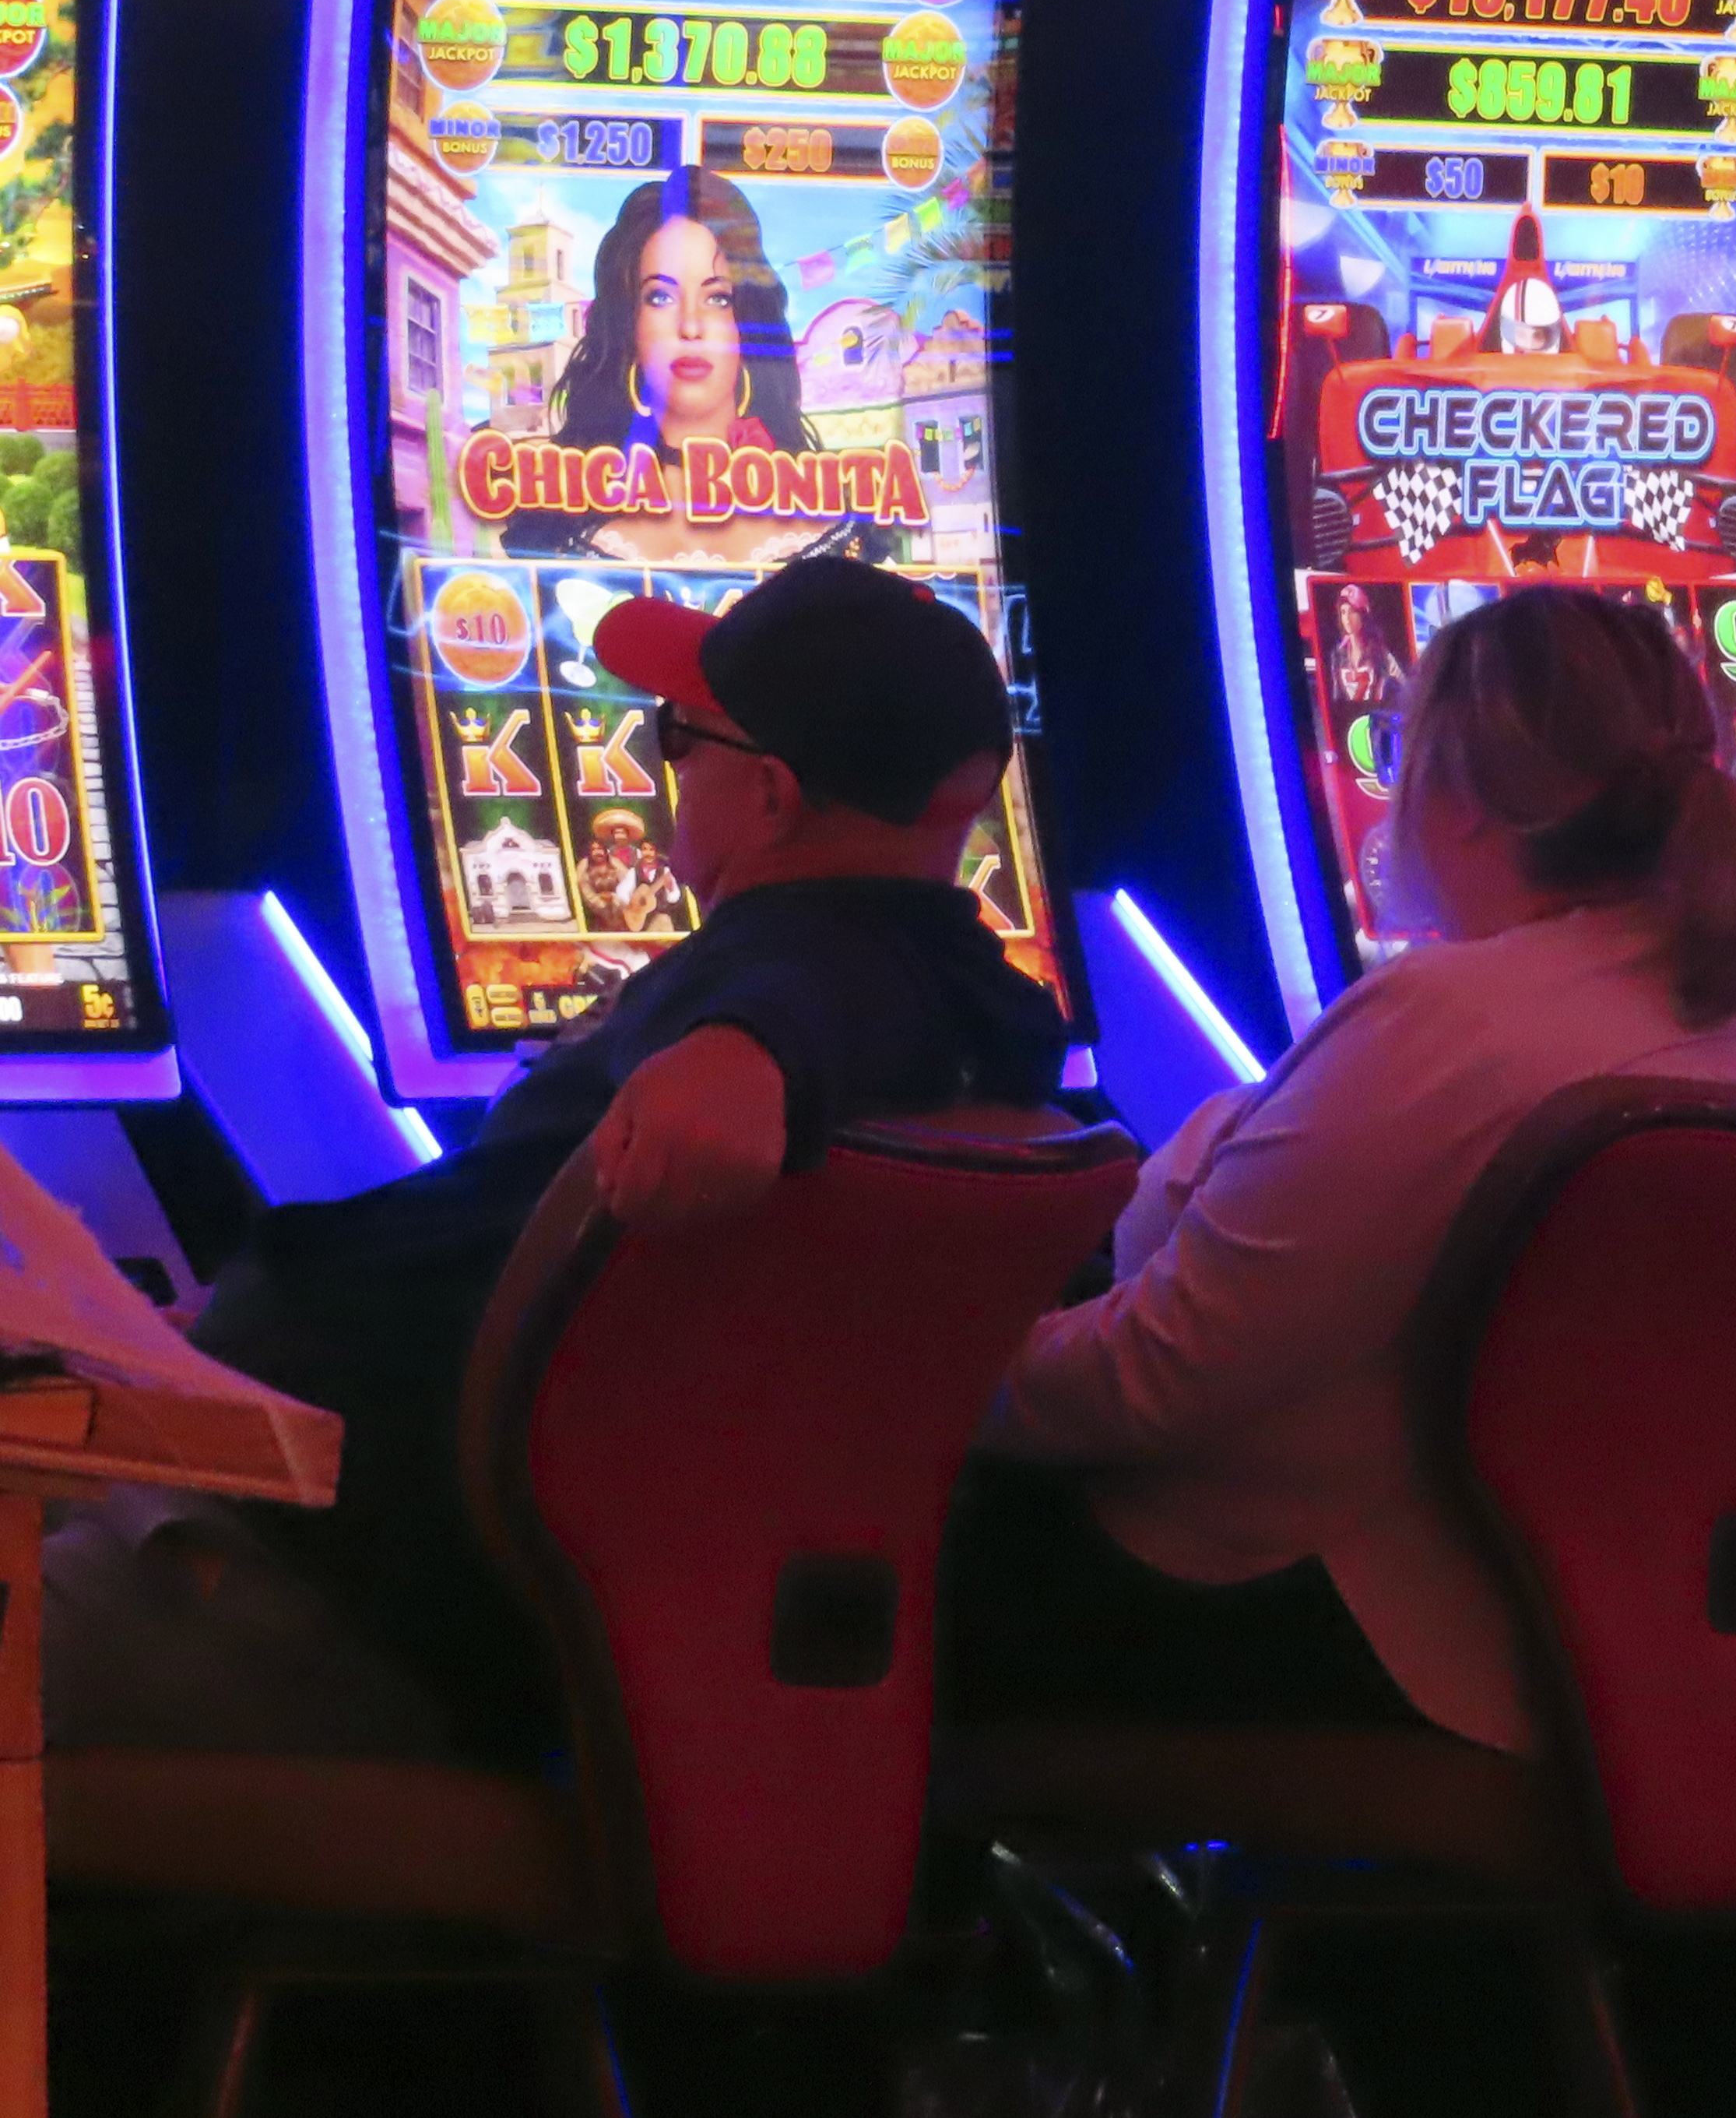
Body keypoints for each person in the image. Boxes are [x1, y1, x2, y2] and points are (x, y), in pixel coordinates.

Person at [50, 557, 1069, 1757]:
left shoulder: (785, 997)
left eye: (674, 737)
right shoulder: (979, 1019)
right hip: (501, 1614)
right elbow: (904, 985)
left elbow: (819, 987)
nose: (657, 769)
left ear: (775, 800)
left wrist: (753, 1048)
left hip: (337, 1614)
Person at [957, 586, 1736, 1740]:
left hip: (1377, 1617)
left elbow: (1157, 1386)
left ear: (1458, 799)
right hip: (1610, 1626)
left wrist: (923, 1371)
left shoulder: (1446, 1020)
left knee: (875, 1555)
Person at [519, 167, 855, 565]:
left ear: (747, 321)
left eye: (718, 299)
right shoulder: (559, 528)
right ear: (629, 324)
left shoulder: (836, 531)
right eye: (660, 298)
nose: (691, 327)